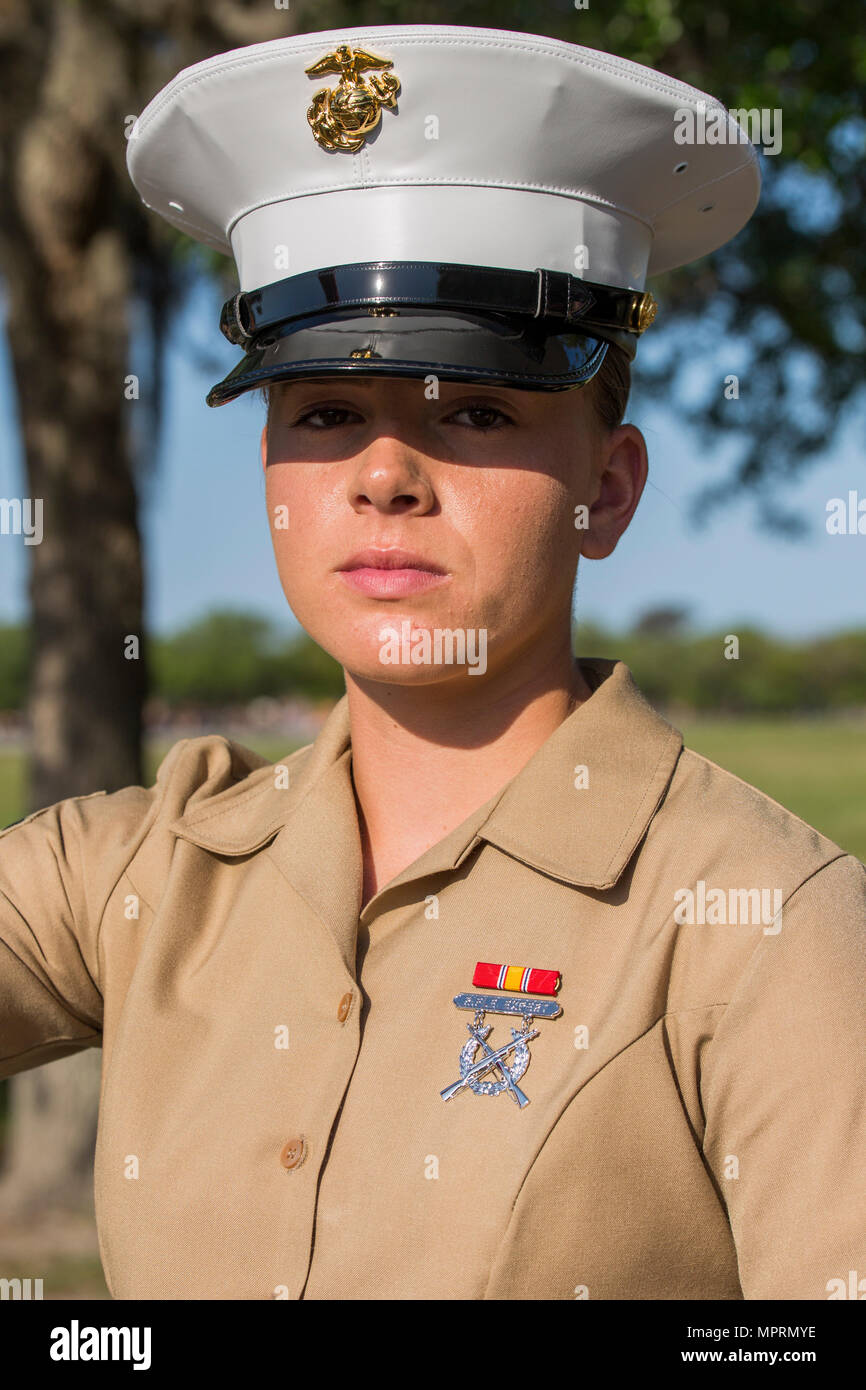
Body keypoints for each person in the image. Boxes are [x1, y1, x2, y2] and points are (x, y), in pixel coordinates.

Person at [1, 23, 864, 1301]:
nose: (386, 475)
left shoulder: (762, 928)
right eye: (328, 412)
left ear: (607, 490)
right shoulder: (140, 876)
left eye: (475, 409)